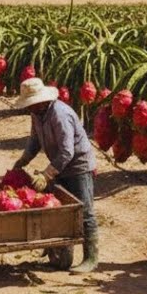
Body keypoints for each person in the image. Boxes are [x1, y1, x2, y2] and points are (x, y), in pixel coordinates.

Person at [11, 78, 99, 273]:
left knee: (84, 212)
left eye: (31, 104)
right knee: (59, 210)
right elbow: (35, 141)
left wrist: (46, 174)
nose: (29, 108)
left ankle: (91, 258)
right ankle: (60, 255)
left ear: (41, 100)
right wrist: (22, 161)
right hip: (60, 166)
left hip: (79, 167)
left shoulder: (60, 114)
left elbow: (67, 151)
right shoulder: (37, 114)